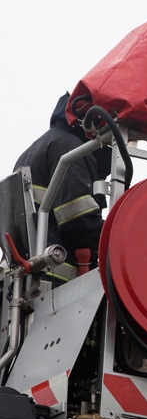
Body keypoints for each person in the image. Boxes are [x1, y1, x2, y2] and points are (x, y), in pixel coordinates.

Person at [13, 92, 112, 284]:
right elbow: (79, 222)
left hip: (19, 278)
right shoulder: (70, 149)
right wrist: (118, 238)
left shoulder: (36, 148)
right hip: (54, 279)